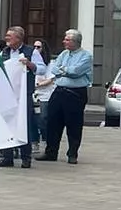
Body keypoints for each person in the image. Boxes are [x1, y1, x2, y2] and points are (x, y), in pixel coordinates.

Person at [37, 29, 94, 164]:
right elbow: (54, 69)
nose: (64, 42)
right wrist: (65, 70)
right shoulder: (63, 54)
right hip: (59, 90)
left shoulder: (86, 56)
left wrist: (64, 70)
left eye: (67, 40)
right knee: (52, 122)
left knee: (73, 124)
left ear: (75, 42)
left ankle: (72, 153)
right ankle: (51, 152)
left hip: (75, 93)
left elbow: (76, 71)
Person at [0, 26, 35, 169]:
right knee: (6, 124)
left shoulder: (30, 51)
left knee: (24, 124)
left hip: (23, 94)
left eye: (9, 36)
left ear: (18, 38)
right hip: (7, 94)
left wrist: (28, 64)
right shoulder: (4, 52)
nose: (6, 39)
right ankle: (7, 156)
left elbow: (40, 68)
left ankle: (26, 157)